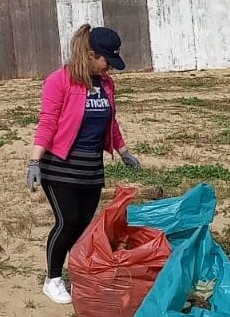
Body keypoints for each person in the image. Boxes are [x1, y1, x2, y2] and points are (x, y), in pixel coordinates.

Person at [25, 24, 142, 304]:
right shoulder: (59, 81)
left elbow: (109, 122)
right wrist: (34, 162)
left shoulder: (106, 85)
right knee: (68, 221)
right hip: (60, 164)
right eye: (106, 61)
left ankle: (77, 273)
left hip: (91, 166)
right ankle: (52, 279)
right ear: (91, 54)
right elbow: (48, 122)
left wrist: (124, 151)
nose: (109, 68)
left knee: (83, 225)